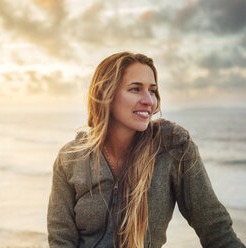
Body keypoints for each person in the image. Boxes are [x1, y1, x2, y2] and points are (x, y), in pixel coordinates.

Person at [47, 52, 245, 248]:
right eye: (135, 89)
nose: (149, 101)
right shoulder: (71, 158)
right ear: (105, 94)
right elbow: (61, 239)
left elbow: (215, 228)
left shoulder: (173, 146)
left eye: (152, 90)